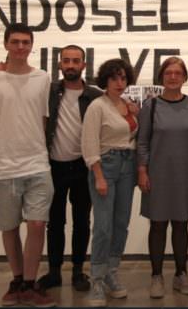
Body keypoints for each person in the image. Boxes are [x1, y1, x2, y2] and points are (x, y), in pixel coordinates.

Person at [0, 23, 54, 307]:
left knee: (36, 224)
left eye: (25, 42)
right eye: (15, 42)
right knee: (9, 227)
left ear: (31, 45)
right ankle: (17, 280)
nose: (21, 47)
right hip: (4, 168)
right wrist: (0, 147)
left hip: (37, 165)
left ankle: (31, 284)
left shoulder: (42, 77)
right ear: (7, 44)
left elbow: (43, 118)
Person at [137, 57, 188, 299]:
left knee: (181, 224)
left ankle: (180, 274)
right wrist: (142, 171)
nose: (173, 77)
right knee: (157, 225)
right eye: (168, 73)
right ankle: (156, 276)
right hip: (157, 174)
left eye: (178, 73)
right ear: (161, 77)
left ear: (185, 77)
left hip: (185, 173)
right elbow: (143, 141)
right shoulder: (151, 106)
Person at [36, 45, 102, 293]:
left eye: (76, 61)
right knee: (54, 221)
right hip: (53, 165)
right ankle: (54, 272)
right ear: (60, 64)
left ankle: (77, 271)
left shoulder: (94, 96)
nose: (71, 65)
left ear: (84, 65)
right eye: (67, 61)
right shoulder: (49, 91)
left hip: (83, 167)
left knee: (82, 221)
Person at [81, 59, 138, 307]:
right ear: (105, 80)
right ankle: (96, 278)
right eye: (114, 78)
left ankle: (111, 272)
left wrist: (135, 113)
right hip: (105, 165)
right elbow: (89, 143)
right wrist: (99, 175)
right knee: (103, 225)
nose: (119, 83)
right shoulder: (97, 106)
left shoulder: (128, 105)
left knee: (121, 223)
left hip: (128, 166)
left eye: (123, 78)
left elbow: (133, 138)